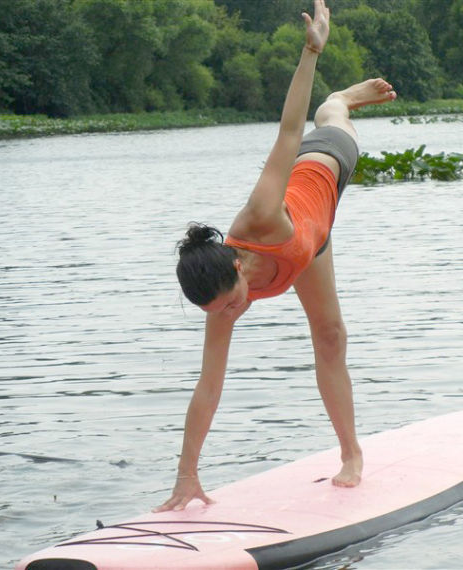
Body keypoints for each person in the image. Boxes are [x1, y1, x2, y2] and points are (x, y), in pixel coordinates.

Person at [154, 0, 396, 513]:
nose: (228, 313)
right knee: (328, 335)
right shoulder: (221, 298)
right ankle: (348, 452)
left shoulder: (259, 217)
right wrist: (186, 476)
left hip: (323, 165)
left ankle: (339, 100)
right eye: (216, 312)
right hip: (311, 243)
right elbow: (208, 386)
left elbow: (289, 131)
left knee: (329, 121)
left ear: (238, 265)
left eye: (229, 303)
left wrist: (311, 51)